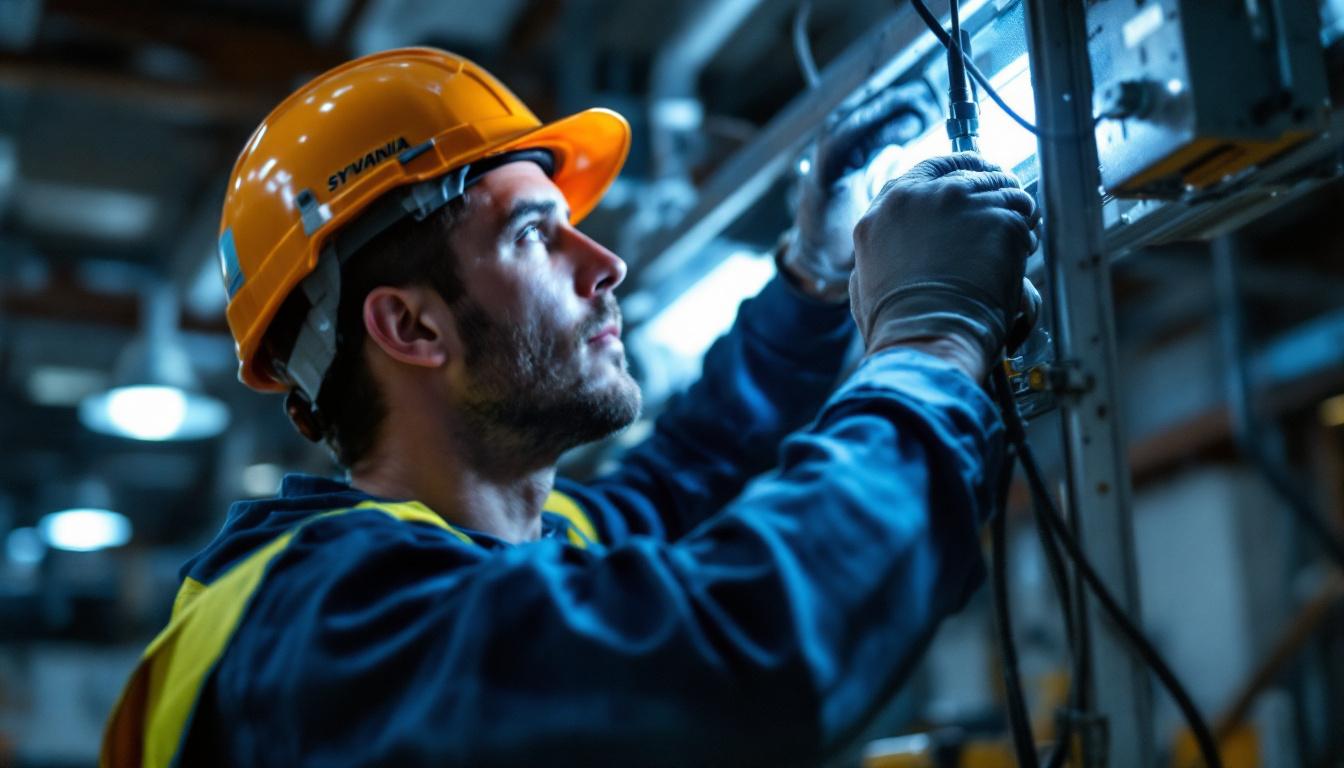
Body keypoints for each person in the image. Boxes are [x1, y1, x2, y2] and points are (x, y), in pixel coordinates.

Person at [102, 48, 1038, 767]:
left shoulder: (510, 544)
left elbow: (692, 471)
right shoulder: (323, 627)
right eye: (532, 235)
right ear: (412, 327)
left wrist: (814, 278)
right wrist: (931, 344)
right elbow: (730, 668)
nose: (607, 264)